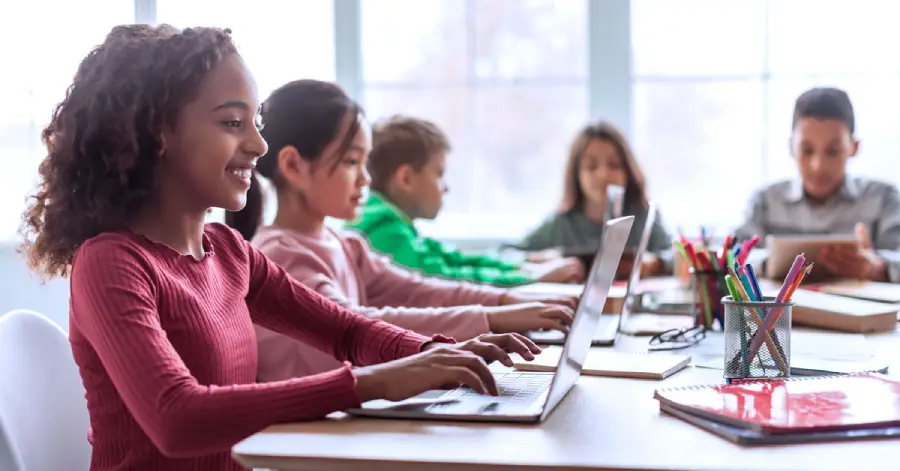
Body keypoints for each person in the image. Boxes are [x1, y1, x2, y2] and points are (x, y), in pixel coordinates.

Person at [21, 24, 540, 471]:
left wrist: (435, 355)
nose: (258, 145)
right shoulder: (111, 262)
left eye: (257, 123)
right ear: (157, 133)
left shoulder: (228, 251)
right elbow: (177, 418)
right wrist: (371, 384)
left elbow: (347, 330)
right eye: (232, 122)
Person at [224, 79, 576, 381]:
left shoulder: (345, 245)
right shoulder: (281, 254)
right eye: (351, 162)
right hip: (309, 441)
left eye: (364, 162)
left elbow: (422, 292)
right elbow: (357, 324)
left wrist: (512, 301)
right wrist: (494, 317)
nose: (365, 179)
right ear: (293, 165)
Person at [347, 115, 585, 286]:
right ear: (406, 178)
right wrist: (531, 277)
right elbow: (445, 280)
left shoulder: (392, 223)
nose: (446, 187)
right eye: (439, 173)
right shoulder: (382, 231)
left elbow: (453, 259)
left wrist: (523, 265)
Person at [734, 87, 900, 282]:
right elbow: (733, 258)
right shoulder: (765, 200)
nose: (818, 166)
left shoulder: (883, 198)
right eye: (807, 150)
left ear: (853, 148)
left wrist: (877, 267)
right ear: (791, 147)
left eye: (833, 151)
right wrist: (766, 264)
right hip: (780, 312)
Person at [516, 121, 673, 278]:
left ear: (628, 171)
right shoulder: (560, 223)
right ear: (576, 174)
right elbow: (507, 256)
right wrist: (545, 262)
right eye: (591, 166)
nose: (603, 175)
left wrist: (655, 263)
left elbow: (675, 257)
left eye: (615, 165)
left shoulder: (644, 216)